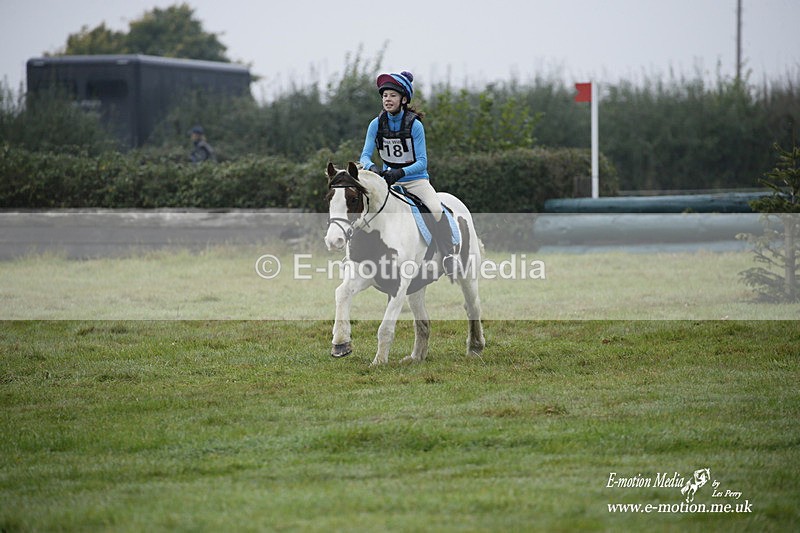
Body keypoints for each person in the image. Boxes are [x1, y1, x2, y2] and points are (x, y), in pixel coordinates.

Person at [359, 71, 460, 276]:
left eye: (392, 95)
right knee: (364, 208)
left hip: (415, 181)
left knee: (435, 209)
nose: (387, 99)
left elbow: (422, 162)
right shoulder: (376, 124)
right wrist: (372, 168)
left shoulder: (415, 125)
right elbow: (364, 156)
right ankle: (356, 256)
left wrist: (400, 172)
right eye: (385, 95)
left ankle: (448, 255)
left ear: (403, 99)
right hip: (387, 180)